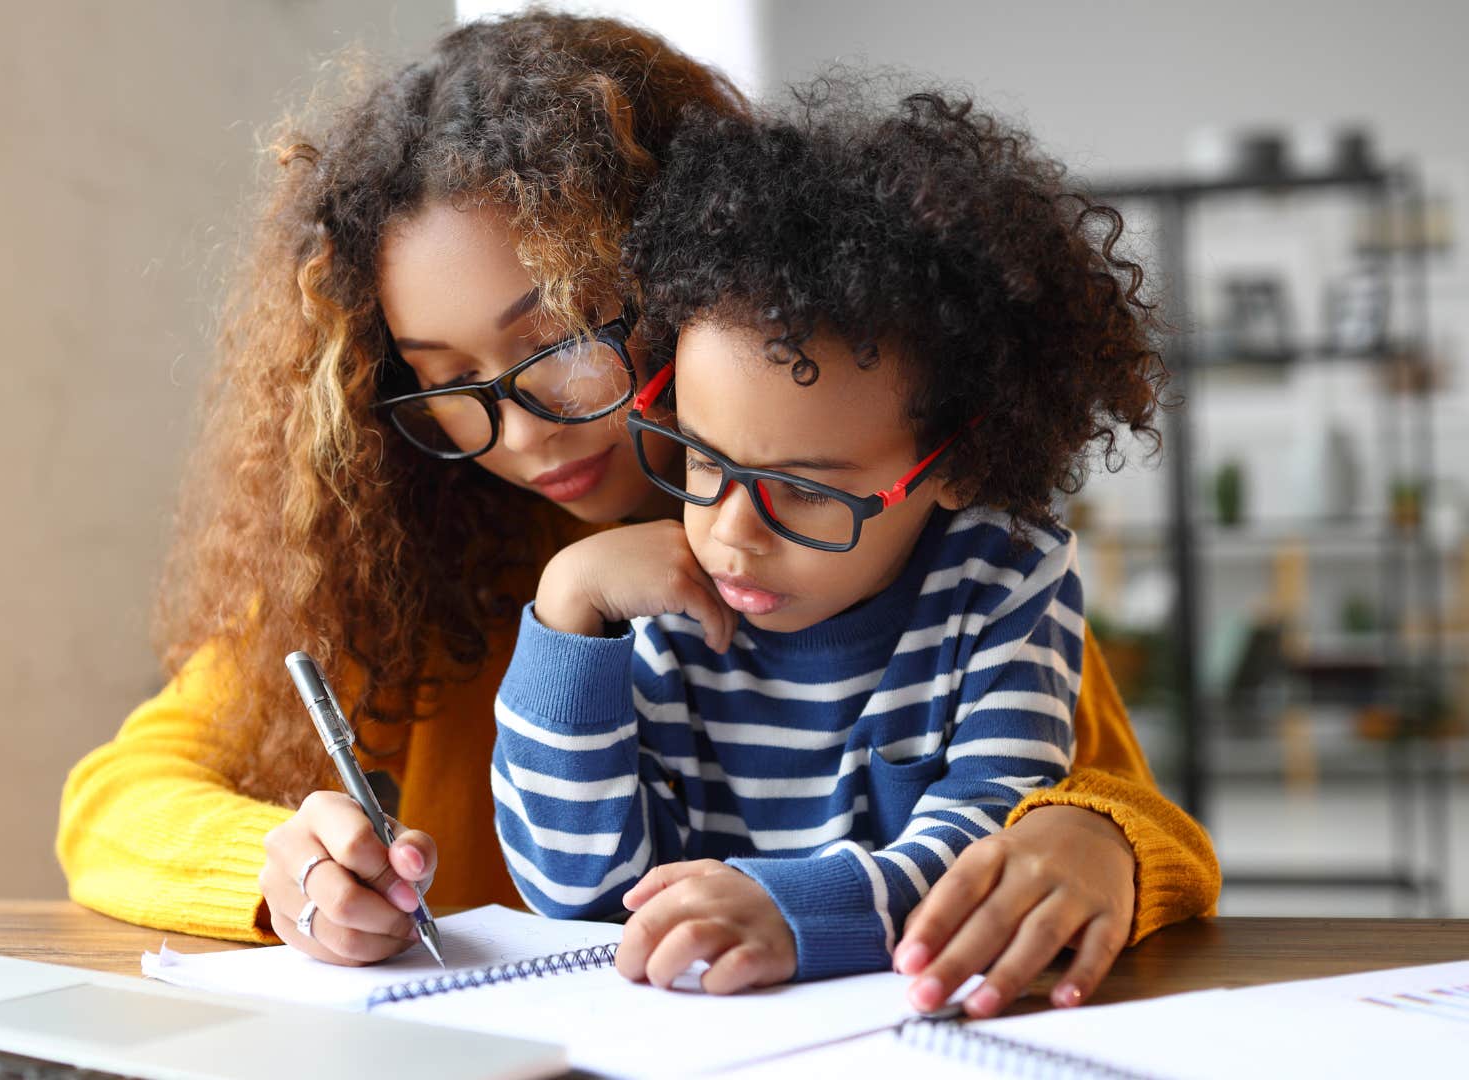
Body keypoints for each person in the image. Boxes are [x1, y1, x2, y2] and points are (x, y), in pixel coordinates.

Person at [56, 13, 1218, 1017]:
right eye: (446, 381)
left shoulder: (895, 539)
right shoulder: (396, 555)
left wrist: (1100, 839)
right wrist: (280, 869)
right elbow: (118, 797)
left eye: (558, 344)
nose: (520, 433)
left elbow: (1093, 796)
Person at [495, 78, 1159, 998]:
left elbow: (989, 836)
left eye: (803, 491)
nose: (731, 534)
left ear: (954, 464)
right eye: (700, 459)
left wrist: (797, 909)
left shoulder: (1004, 578)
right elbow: (576, 889)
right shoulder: (657, 596)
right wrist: (568, 611)